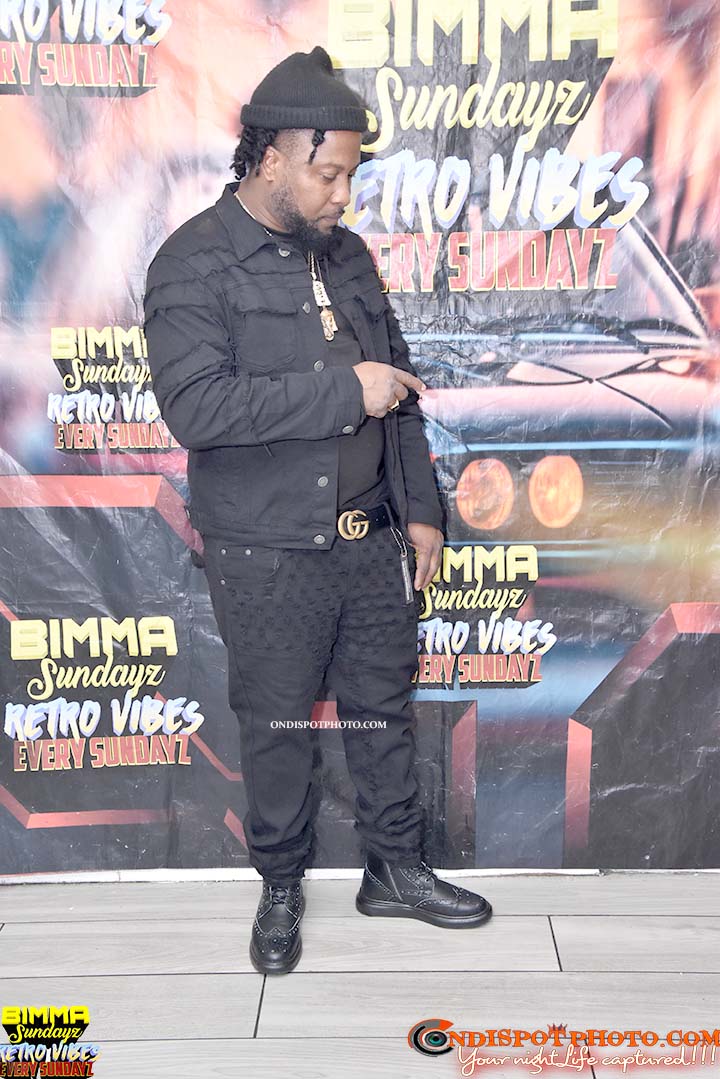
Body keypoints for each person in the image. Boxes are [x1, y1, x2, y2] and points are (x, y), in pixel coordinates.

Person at [143, 45, 492, 976]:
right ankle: (281, 885)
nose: (343, 194)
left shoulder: (349, 256)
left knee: (384, 712)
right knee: (278, 728)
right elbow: (199, 409)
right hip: (265, 554)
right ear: (273, 159)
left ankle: (395, 869)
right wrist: (345, 390)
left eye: (349, 175)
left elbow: (399, 391)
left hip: (371, 539)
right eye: (328, 173)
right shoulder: (192, 262)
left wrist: (422, 511)